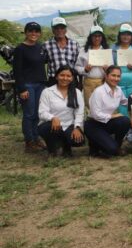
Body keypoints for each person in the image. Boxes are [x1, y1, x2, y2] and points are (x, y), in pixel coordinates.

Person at [14, 22, 48, 152]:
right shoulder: (20, 49)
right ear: (26, 32)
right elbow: (17, 71)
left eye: (36, 31)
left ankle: (36, 137)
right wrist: (22, 89)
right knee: (29, 114)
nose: (34, 34)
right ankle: (29, 141)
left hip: (40, 84)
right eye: (31, 31)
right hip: (27, 85)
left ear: (39, 33)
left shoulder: (40, 47)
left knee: (38, 113)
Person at [84, 66, 131, 158]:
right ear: (106, 76)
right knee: (111, 150)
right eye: (113, 75)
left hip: (106, 123)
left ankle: (116, 146)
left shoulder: (118, 90)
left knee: (125, 121)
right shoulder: (99, 92)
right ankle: (95, 145)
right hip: (93, 124)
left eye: (118, 76)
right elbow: (95, 114)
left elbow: (126, 102)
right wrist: (114, 116)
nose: (116, 78)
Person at [38, 66, 84, 157]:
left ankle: (66, 147)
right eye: (62, 75)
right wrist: (53, 118)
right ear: (56, 77)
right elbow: (42, 112)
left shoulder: (76, 92)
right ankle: (52, 149)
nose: (65, 78)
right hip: (51, 124)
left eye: (68, 76)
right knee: (47, 129)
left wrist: (77, 127)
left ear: (72, 78)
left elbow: (79, 112)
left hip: (68, 124)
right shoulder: (47, 92)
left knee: (78, 141)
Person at [76, 25, 109, 109]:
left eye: (99, 36)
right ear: (90, 37)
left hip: (103, 82)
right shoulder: (84, 50)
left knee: (103, 105)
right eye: (94, 36)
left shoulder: (106, 50)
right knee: (90, 105)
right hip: (89, 82)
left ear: (102, 37)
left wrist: (107, 69)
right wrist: (85, 69)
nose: (97, 38)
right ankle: (90, 121)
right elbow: (77, 67)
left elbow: (112, 69)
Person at [112, 23, 132, 115]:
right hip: (119, 83)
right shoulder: (113, 49)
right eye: (123, 34)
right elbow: (111, 65)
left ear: (131, 36)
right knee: (121, 107)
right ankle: (124, 127)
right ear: (119, 35)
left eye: (128, 34)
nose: (126, 36)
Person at [42, 17, 80, 83]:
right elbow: (41, 64)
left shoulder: (74, 44)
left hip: (71, 79)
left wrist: (80, 83)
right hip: (54, 80)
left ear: (66, 30)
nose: (59, 30)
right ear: (52, 30)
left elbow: (79, 64)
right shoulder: (46, 45)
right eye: (56, 28)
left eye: (62, 28)